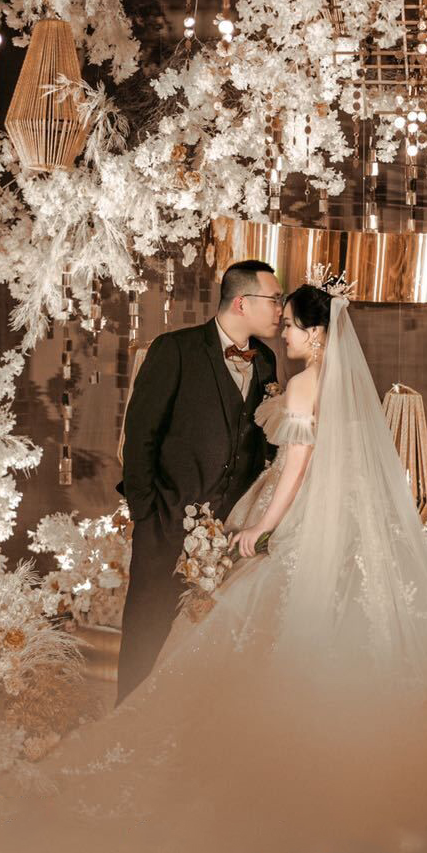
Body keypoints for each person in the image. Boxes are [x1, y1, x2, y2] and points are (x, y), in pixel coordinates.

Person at [115, 258, 282, 703]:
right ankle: (125, 727)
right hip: (166, 523)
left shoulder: (266, 361)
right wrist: (148, 513)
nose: (280, 309)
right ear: (242, 302)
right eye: (274, 299)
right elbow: (140, 435)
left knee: (202, 644)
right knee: (148, 631)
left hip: (230, 532)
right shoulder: (175, 350)